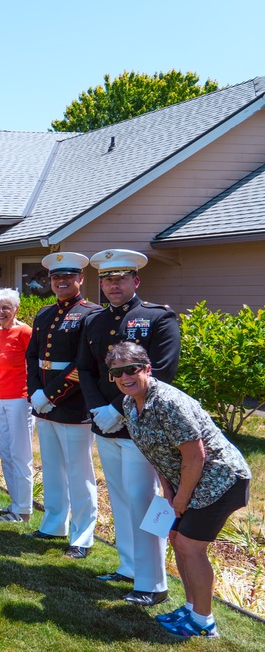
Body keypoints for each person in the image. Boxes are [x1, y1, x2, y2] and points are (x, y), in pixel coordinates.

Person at [107, 342, 251, 639]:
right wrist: (169, 492)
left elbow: (195, 455)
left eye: (131, 369)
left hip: (220, 479)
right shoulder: (129, 404)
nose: (124, 377)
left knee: (189, 545)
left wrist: (182, 497)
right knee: (174, 536)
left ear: (146, 368)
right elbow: (154, 451)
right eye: (116, 372)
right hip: (187, 481)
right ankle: (191, 608)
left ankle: (204, 623)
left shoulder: (168, 402)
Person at [79, 249, 179, 606]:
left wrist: (120, 412)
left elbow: (162, 373)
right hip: (105, 426)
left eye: (121, 278)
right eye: (107, 279)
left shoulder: (157, 318)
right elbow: (86, 369)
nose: (113, 284)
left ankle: (154, 583)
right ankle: (129, 567)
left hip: (142, 429)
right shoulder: (93, 321)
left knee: (143, 501)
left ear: (136, 281)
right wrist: (97, 410)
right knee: (120, 500)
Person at [25, 252, 101, 560]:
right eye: (56, 277)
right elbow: (32, 357)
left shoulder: (90, 314)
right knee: (53, 470)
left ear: (80, 279)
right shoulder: (44, 314)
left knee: (79, 473)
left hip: (73, 405)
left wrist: (50, 394)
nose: (61, 282)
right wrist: (35, 393)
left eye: (68, 277)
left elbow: (84, 364)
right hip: (45, 404)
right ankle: (54, 524)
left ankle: (82, 536)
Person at [0, 288, 34, 523]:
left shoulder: (25, 332)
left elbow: (35, 365)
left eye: (6, 307)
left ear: (16, 308)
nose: (1, 311)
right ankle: (15, 504)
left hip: (20, 398)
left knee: (20, 454)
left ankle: (24, 511)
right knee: (5, 453)